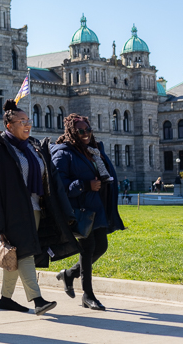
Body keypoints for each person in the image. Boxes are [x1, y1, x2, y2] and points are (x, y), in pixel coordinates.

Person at [0, 100, 79, 316]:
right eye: (22, 121)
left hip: (36, 209)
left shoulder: (33, 146)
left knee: (16, 254)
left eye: (28, 120)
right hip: (13, 212)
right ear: (9, 125)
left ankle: (6, 299)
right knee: (25, 253)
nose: (27, 125)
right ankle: (37, 300)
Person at [51, 114, 125, 311]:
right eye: (80, 131)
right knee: (87, 248)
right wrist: (85, 185)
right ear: (71, 132)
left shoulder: (92, 150)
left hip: (96, 206)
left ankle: (69, 274)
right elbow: (60, 187)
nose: (85, 134)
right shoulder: (63, 153)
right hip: (80, 209)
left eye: (88, 130)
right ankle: (88, 295)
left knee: (101, 246)